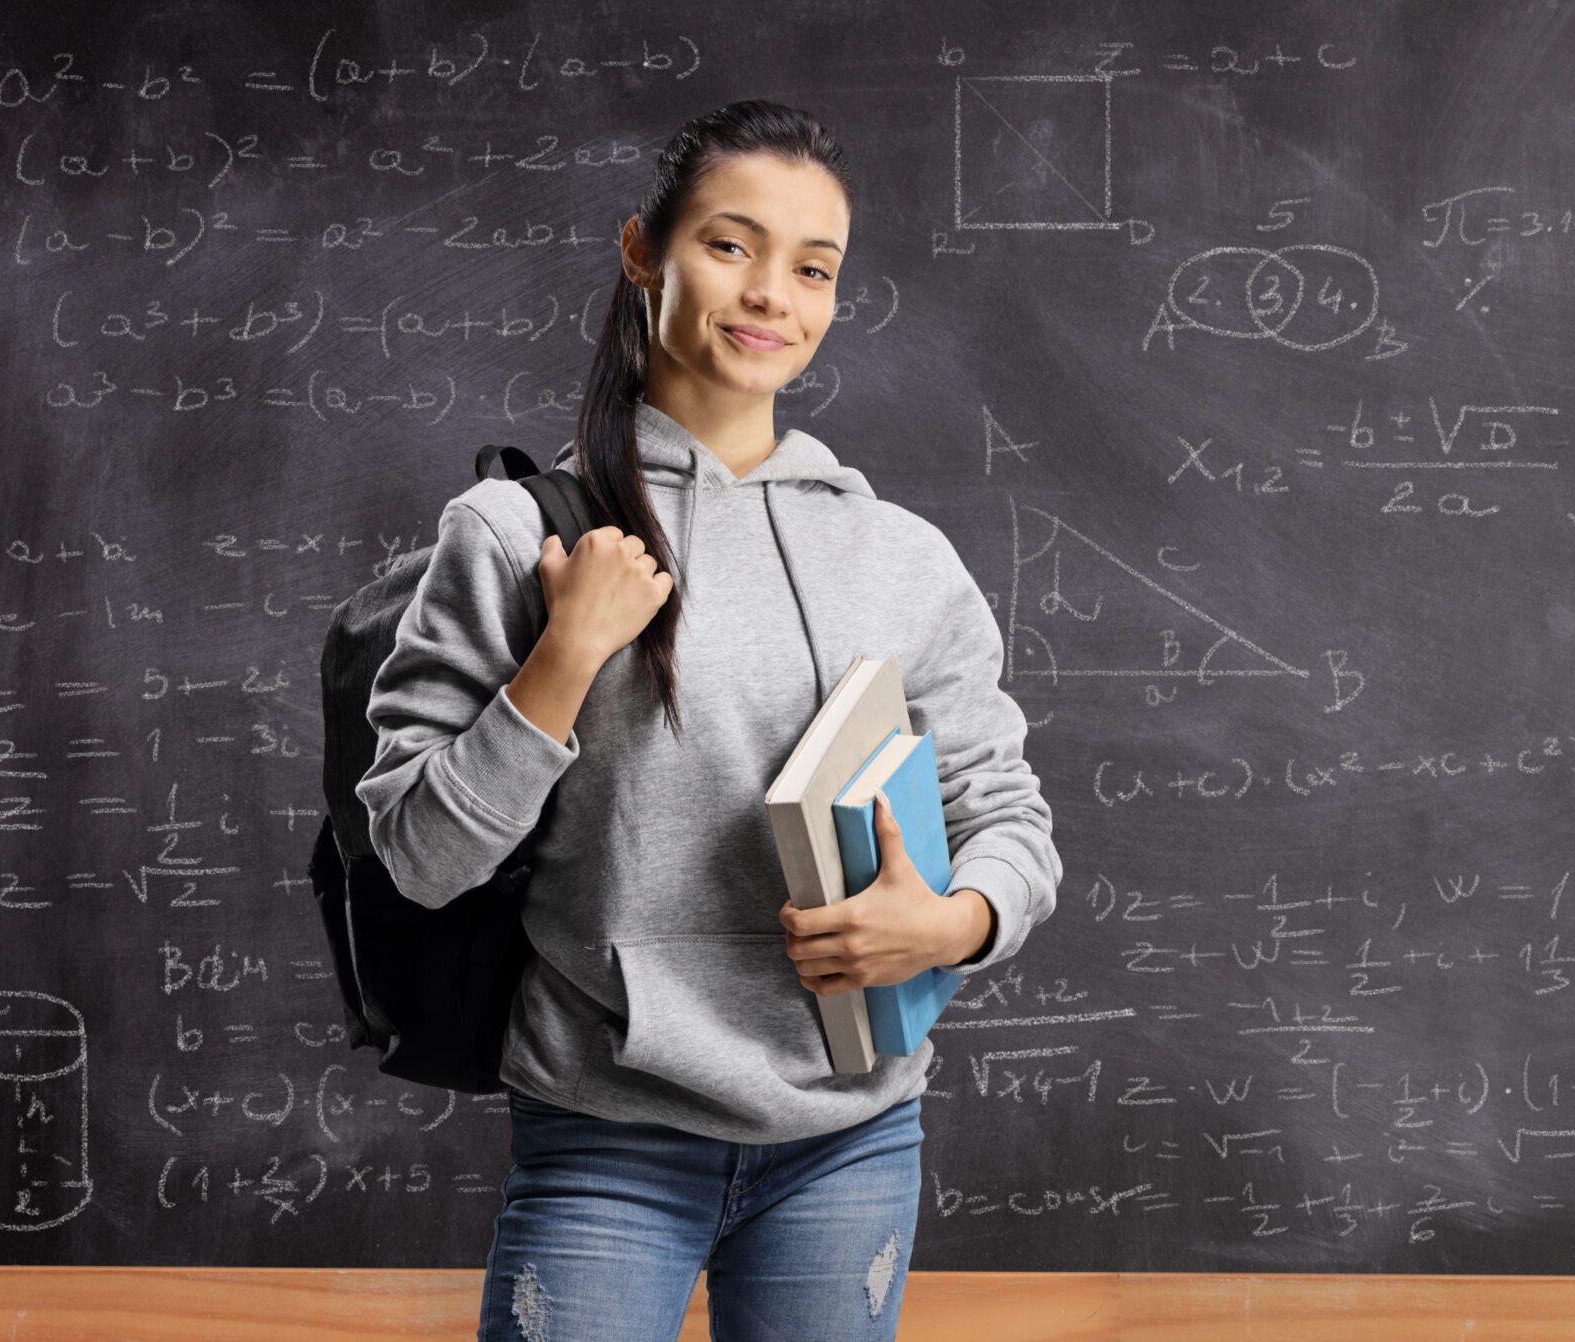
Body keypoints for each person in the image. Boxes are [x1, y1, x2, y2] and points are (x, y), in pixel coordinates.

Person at [354, 100, 1061, 1341]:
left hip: (852, 1135)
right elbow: (417, 858)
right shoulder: (520, 534)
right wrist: (565, 655)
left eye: (812, 268)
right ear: (645, 251)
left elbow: (1005, 814)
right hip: (605, 1131)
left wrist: (952, 921)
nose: (770, 294)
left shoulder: (904, 559)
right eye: (731, 246)